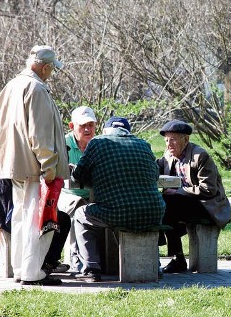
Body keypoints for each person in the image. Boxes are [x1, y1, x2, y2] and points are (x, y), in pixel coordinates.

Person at [0, 45, 70, 286]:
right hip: (34, 165)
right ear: (45, 67)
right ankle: (32, 272)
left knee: (21, 216)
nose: (51, 74)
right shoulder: (36, 88)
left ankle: (20, 269)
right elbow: (40, 135)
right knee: (35, 219)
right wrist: (49, 165)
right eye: (51, 70)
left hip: (14, 162)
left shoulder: (11, 85)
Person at [71, 117, 166, 282]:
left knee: (81, 215)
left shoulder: (97, 143)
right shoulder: (143, 144)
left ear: (106, 131)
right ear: (128, 132)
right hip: (154, 210)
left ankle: (91, 269)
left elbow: (79, 175)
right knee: (143, 217)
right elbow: (156, 175)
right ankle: (154, 267)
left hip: (117, 211)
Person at [156, 120, 231, 273]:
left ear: (186, 139)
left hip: (207, 205)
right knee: (160, 203)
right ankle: (175, 257)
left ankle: (171, 255)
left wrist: (179, 191)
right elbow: (154, 170)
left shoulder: (200, 156)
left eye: (173, 140)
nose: (168, 144)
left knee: (168, 203)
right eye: (166, 140)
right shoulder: (168, 156)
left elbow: (208, 190)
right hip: (181, 204)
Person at [0, 161, 71, 275]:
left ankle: (45, 262)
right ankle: (46, 263)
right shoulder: (28, 156)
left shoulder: (14, 149)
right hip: (2, 210)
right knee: (60, 220)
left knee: (57, 218)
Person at [58, 105, 98, 272]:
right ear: (72, 126)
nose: (88, 129)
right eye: (83, 126)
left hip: (94, 195)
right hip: (66, 194)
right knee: (79, 205)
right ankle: (76, 256)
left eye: (91, 125)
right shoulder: (62, 143)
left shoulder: (99, 144)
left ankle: (106, 259)